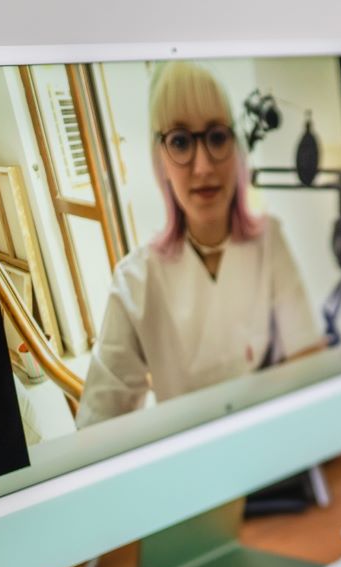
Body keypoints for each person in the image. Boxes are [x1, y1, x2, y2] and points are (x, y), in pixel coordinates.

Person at [76, 61, 323, 427]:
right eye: (179, 141)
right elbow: (98, 425)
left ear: (235, 147)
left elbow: (308, 358)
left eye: (217, 137)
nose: (203, 166)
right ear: (160, 158)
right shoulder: (135, 283)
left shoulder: (269, 240)